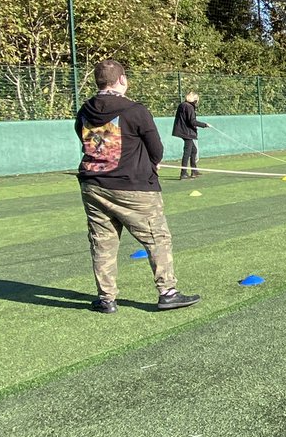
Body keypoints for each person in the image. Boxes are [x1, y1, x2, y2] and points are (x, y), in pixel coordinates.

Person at [75, 59, 200, 313]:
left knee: (102, 243)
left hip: (93, 186)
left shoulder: (84, 111)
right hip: (134, 187)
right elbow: (156, 149)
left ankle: (106, 299)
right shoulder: (135, 110)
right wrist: (153, 163)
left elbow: (86, 140)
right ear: (122, 79)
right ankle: (168, 292)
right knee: (157, 237)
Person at [172, 91, 210, 180]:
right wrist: (205, 125)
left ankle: (194, 171)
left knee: (193, 150)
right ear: (195, 100)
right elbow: (192, 121)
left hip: (183, 131)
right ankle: (183, 173)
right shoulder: (189, 107)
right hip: (187, 132)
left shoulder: (182, 105)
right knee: (187, 152)